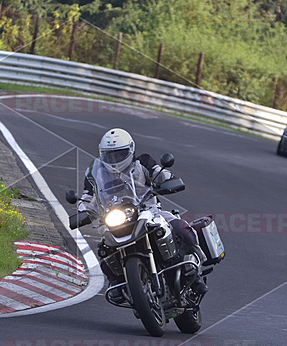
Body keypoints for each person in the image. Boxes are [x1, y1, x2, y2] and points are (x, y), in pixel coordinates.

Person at [78, 128, 208, 298]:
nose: (114, 160)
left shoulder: (143, 162)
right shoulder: (95, 173)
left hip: (148, 211)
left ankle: (195, 271)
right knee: (104, 250)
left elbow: (161, 174)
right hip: (115, 217)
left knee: (180, 227)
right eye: (109, 156)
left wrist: (168, 181)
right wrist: (81, 213)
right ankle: (117, 282)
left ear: (130, 150)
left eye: (119, 154)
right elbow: (87, 198)